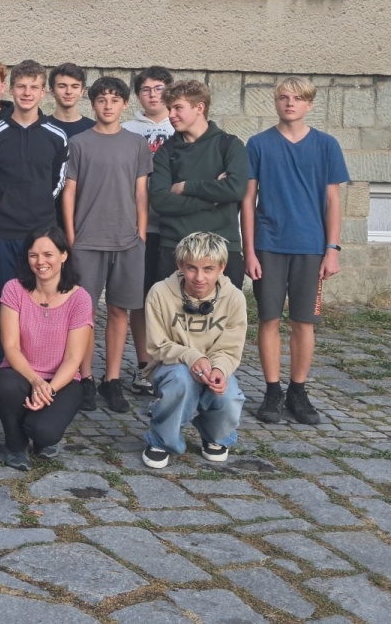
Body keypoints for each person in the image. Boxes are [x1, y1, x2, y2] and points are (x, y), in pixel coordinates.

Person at [242, 76, 348, 427]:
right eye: (284, 97)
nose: (290, 103)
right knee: (269, 319)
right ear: (275, 102)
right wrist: (250, 250)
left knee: (304, 322)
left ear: (309, 104)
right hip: (269, 246)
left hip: (310, 247)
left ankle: (298, 391)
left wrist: (332, 249)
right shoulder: (258, 144)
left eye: (298, 98)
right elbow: (248, 201)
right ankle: (272, 391)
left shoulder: (326, 145)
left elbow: (333, 201)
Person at [0, 60, 69, 407]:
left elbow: (59, 181)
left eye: (34, 87)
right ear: (11, 90)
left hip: (41, 237)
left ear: (43, 92)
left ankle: (39, 379)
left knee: (40, 311)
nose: (27, 93)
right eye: (21, 87)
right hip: (1, 234)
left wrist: (38, 205)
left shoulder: (56, 135)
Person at [61, 76, 152, 415]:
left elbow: (141, 192)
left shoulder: (136, 144)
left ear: (125, 104)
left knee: (119, 311)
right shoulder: (79, 143)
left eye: (115, 100)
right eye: (102, 100)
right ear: (93, 104)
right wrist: (72, 237)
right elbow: (69, 192)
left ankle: (111, 379)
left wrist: (140, 233)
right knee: (84, 314)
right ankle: (84, 377)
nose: (108, 105)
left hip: (127, 241)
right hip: (87, 240)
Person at [0, 226, 92, 472]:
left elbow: (73, 357)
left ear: (63, 255)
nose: (40, 262)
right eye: (33, 255)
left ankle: (38, 433)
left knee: (44, 432)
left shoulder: (80, 298)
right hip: (20, 374)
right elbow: (11, 346)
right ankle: (16, 445)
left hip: (63, 380)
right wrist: (35, 381)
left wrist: (49, 389)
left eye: (48, 254)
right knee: (4, 385)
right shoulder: (14, 289)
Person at [141, 232, 248, 469]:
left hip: (214, 364)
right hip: (171, 366)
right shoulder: (160, 292)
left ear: (222, 267)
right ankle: (162, 439)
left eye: (208, 269)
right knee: (182, 380)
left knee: (229, 394)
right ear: (180, 265)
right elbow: (158, 345)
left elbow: (230, 347)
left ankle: (216, 436)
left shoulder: (235, 298)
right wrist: (192, 357)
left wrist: (219, 369)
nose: (199, 277)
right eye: (191, 268)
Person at [149, 80, 249, 288]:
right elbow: (160, 200)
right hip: (175, 247)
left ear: (199, 107)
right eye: (169, 108)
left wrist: (186, 187)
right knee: (169, 309)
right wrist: (212, 199)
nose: (171, 115)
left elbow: (235, 189)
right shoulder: (166, 152)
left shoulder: (229, 144)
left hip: (222, 246)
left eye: (178, 108)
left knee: (224, 309)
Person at [122, 65, 176, 396]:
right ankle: (144, 364)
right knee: (139, 298)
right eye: (146, 89)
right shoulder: (127, 130)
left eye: (159, 89)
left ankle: (169, 363)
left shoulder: (181, 126)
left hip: (172, 228)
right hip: (136, 227)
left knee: (170, 299)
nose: (153, 95)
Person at [48, 62, 95, 138]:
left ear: (82, 91)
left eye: (75, 87)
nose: (68, 92)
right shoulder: (40, 128)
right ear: (52, 91)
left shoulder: (94, 129)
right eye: (62, 86)